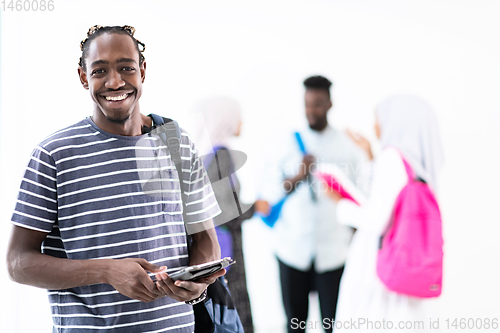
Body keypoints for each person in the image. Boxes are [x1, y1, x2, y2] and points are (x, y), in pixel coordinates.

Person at [6, 25, 225, 333]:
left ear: (142, 71)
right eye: (99, 71)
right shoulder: (54, 154)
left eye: (126, 68)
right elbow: (18, 262)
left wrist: (197, 284)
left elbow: (207, 241)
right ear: (83, 77)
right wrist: (106, 270)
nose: (115, 81)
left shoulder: (177, 142)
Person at [326, 95, 444, 332]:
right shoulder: (417, 162)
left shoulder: (392, 157)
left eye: (378, 119)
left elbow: (376, 220)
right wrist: (370, 156)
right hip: (404, 262)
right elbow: (388, 202)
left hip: (376, 263)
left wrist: (340, 204)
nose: (375, 126)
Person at [260, 76, 368, 333]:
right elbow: (267, 196)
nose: (311, 111)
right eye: (307, 104)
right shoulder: (284, 144)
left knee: (333, 324)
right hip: (291, 250)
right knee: (294, 325)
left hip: (333, 253)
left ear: (330, 103)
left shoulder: (347, 148)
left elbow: (360, 199)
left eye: (318, 104)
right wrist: (298, 175)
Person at [193, 96, 270, 333]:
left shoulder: (209, 154)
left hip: (217, 245)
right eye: (238, 117)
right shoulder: (222, 156)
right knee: (235, 315)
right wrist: (256, 207)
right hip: (226, 249)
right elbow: (227, 213)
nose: (242, 122)